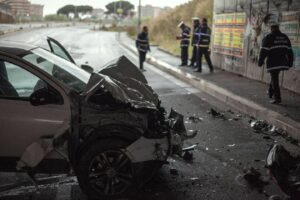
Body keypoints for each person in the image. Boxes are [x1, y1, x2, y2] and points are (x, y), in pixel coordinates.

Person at [258, 23, 294, 104]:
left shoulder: (269, 37)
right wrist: (290, 62)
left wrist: (260, 62)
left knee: (275, 79)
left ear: (271, 28)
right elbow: (289, 51)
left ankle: (277, 98)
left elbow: (263, 51)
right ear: (278, 28)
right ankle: (271, 92)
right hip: (282, 62)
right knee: (274, 77)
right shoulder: (285, 37)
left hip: (273, 62)